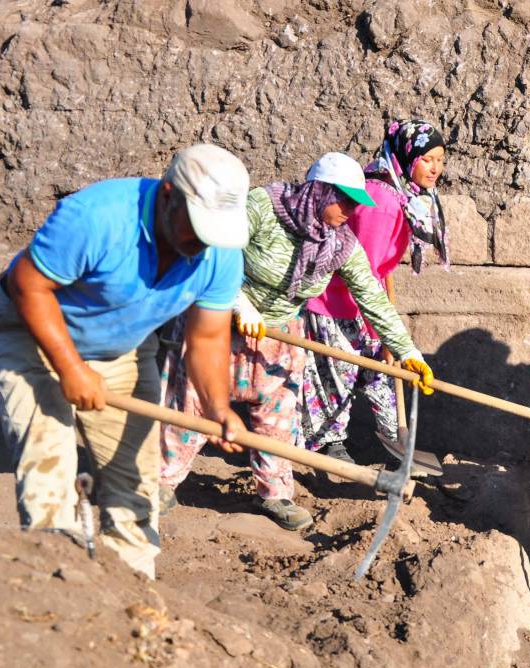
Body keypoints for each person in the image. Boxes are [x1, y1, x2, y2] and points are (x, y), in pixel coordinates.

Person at [0, 144, 251, 578]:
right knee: (49, 472)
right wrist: (71, 368)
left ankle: (133, 600)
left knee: (133, 485)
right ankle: (58, 592)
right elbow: (29, 286)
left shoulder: (220, 251)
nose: (202, 243)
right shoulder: (97, 217)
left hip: (120, 346)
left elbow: (206, 338)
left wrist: (218, 409)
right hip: (31, 333)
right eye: (197, 228)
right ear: (168, 195)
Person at [159, 152, 434, 531]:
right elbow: (214, 251)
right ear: (318, 190)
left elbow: (370, 295)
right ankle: (162, 481)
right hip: (217, 321)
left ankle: (274, 494)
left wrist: (407, 350)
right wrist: (239, 302)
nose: (351, 210)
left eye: (356, 203)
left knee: (278, 416)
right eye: (345, 200)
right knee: (190, 402)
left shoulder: (338, 243)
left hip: (278, 336)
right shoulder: (263, 206)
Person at [302, 119, 449, 463]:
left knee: (380, 373)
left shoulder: (406, 195)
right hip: (336, 302)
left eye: (441, 160)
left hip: (364, 302)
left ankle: (398, 441)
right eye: (428, 159)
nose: (435, 168)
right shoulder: (382, 198)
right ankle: (328, 447)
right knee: (336, 375)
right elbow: (360, 270)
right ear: (409, 156)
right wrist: (378, 329)